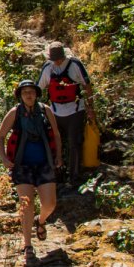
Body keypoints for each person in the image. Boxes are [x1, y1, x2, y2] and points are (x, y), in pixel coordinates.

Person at [0, 80, 63, 262]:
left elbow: (56, 134)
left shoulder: (46, 110)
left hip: (44, 163)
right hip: (22, 165)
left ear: (36, 94)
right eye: (25, 92)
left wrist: (59, 155)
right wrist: (4, 158)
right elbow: (0, 136)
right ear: (20, 95)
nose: (28, 95)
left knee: (50, 203)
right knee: (27, 205)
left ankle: (40, 221)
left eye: (31, 92)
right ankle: (28, 246)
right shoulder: (15, 113)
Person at [37, 41, 96, 188]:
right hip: (55, 112)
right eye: (54, 59)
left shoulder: (75, 64)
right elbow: (38, 88)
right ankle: (58, 175)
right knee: (55, 144)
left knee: (74, 143)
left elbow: (87, 85)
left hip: (75, 110)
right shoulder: (48, 67)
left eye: (59, 59)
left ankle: (74, 177)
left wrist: (90, 108)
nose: (57, 62)